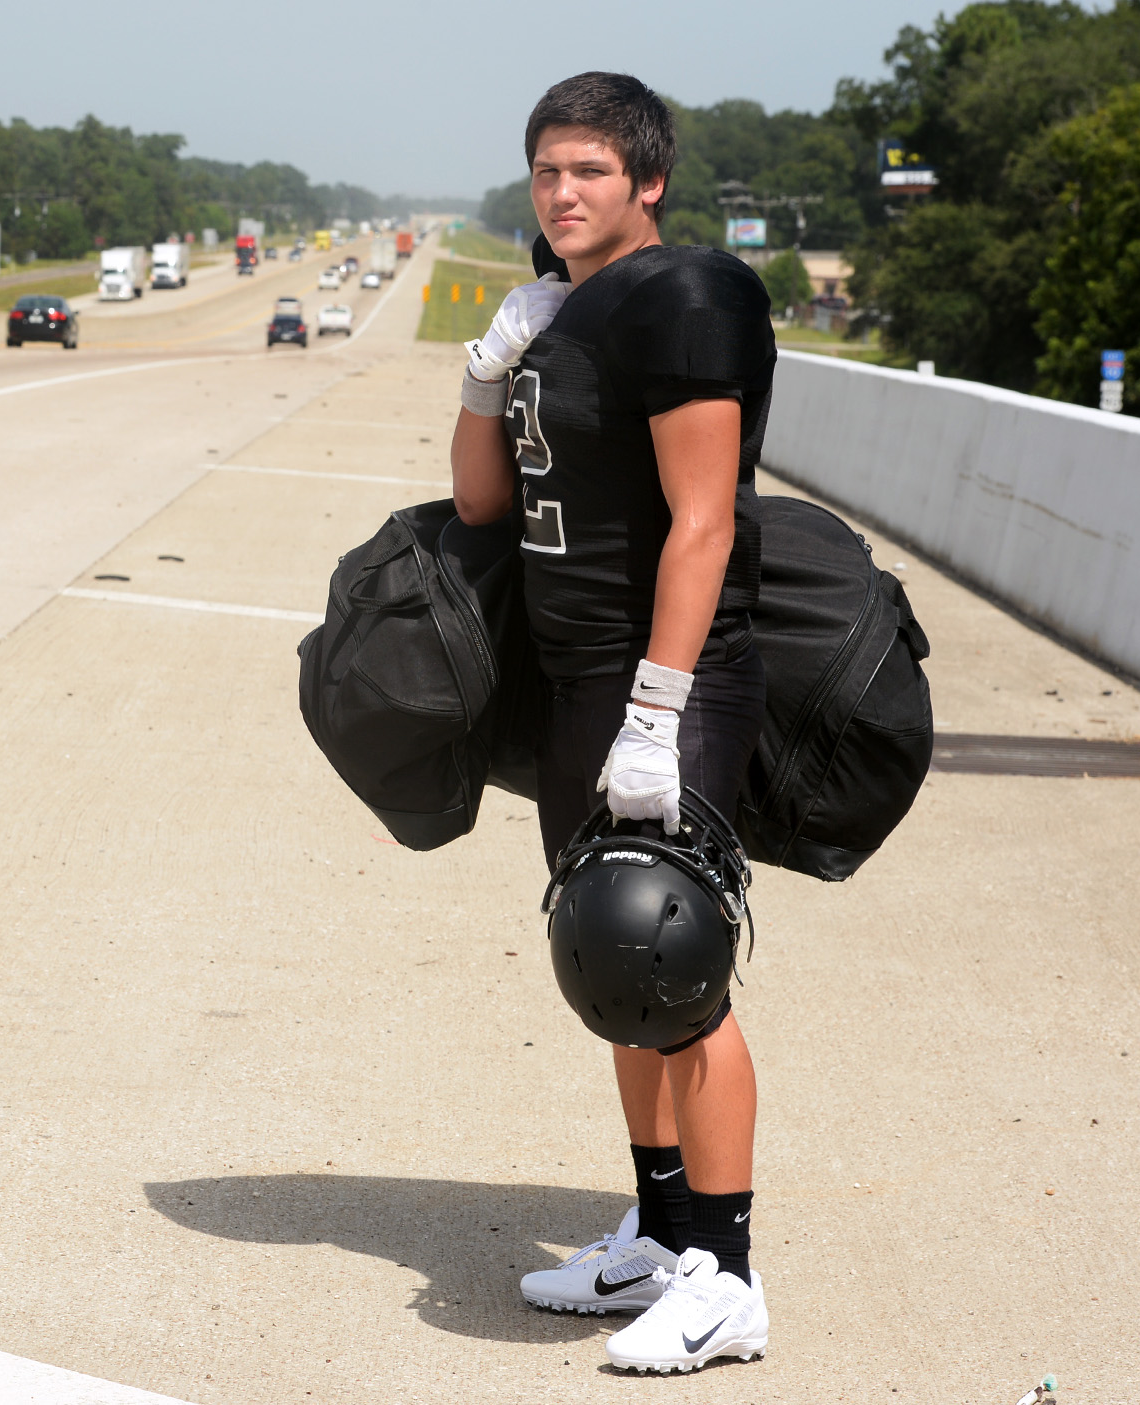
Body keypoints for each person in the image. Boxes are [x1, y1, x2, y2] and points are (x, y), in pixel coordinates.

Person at [448, 72, 775, 1374]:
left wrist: (660, 712)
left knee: (678, 967)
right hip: (577, 684)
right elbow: (480, 500)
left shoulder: (684, 300)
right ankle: (656, 1225)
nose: (562, 193)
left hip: (666, 687)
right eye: (545, 172)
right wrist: (492, 366)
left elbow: (705, 518)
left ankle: (730, 1275)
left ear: (647, 182)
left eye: (587, 171)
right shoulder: (555, 313)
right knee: (616, 972)